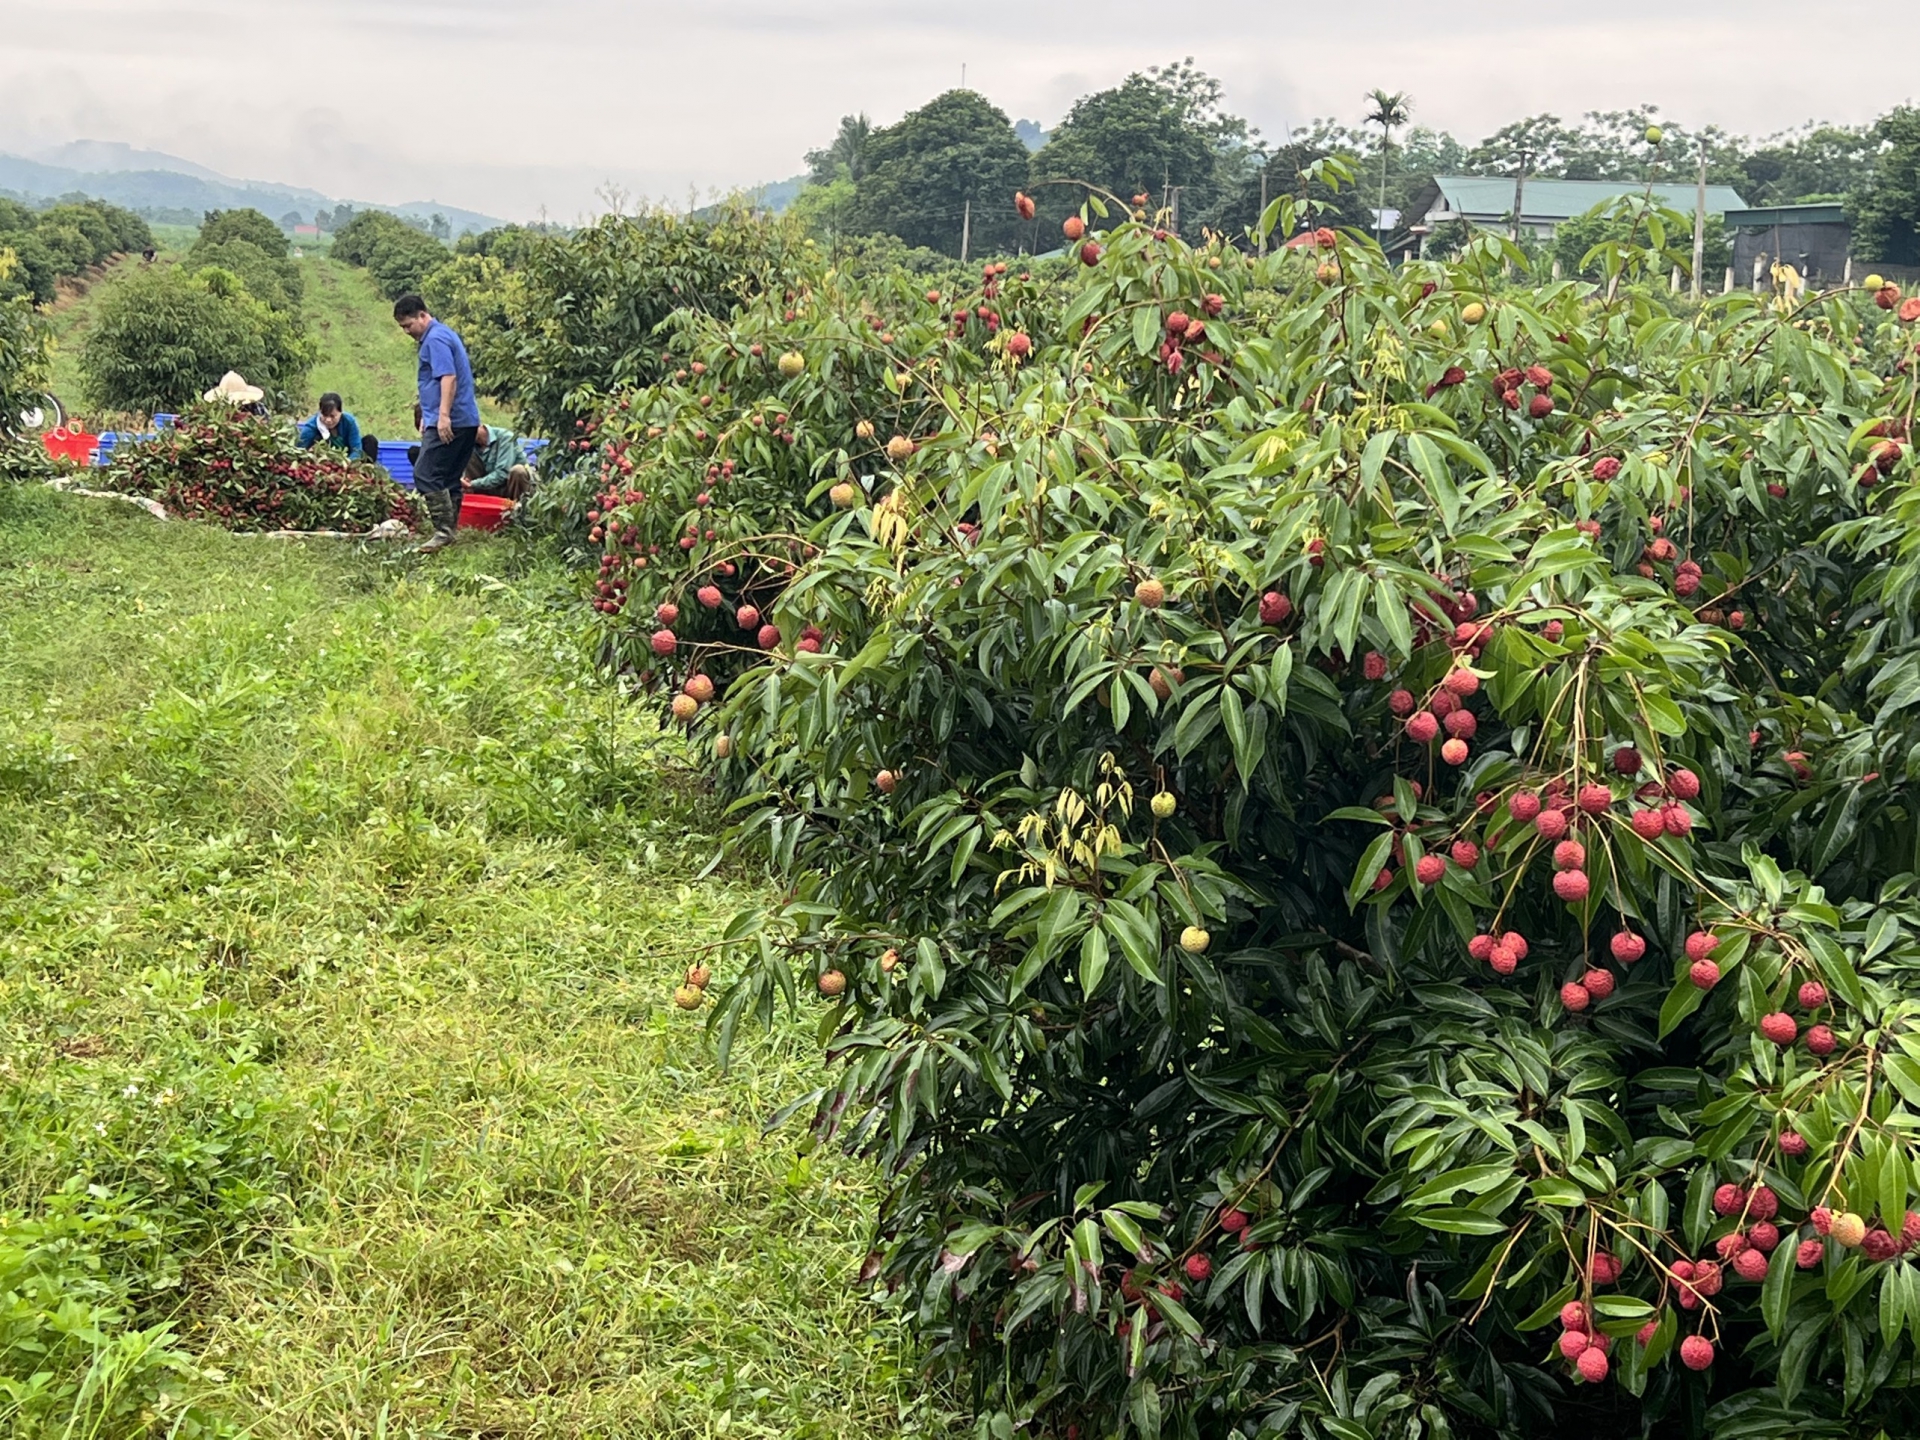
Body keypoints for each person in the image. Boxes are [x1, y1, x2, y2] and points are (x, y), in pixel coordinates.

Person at [393, 293, 478, 553]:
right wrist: (428, 415)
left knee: (425, 473)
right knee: (448, 476)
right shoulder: (442, 334)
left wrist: (442, 417)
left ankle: (443, 531)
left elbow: (448, 378)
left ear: (422, 315)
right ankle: (449, 531)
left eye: (409, 325)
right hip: (464, 419)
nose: (407, 331)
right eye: (402, 327)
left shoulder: (436, 338)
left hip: (452, 419)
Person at [296, 393, 379, 462]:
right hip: (325, 462)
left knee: (370, 441)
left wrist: (347, 463)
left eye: (333, 416)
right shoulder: (311, 427)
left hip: (348, 460)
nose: (328, 420)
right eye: (324, 415)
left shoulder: (349, 422)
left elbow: (356, 449)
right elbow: (299, 451)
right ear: (319, 412)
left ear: (340, 412)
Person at [465, 423, 533, 500]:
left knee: (518, 470)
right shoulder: (468, 444)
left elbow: (502, 474)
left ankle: (519, 508)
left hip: (511, 487)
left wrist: (472, 484)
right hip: (488, 488)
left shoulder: (506, 437)